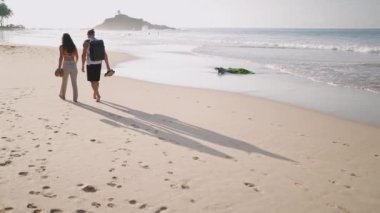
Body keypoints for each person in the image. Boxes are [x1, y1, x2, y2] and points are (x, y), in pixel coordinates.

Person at [81, 29, 111, 102]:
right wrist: (108, 67)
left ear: (88, 35)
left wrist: (82, 65)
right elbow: (104, 54)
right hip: (99, 63)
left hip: (90, 64)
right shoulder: (99, 42)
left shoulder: (86, 42)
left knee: (92, 81)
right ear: (94, 34)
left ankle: (98, 95)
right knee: (96, 81)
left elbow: (83, 54)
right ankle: (95, 93)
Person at [58, 33, 79, 102]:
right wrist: (74, 63)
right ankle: (75, 99)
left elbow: (61, 57)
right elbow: (77, 56)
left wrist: (59, 67)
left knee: (64, 81)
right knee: (74, 83)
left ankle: (63, 96)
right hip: (73, 64)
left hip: (66, 64)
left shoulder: (62, 47)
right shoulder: (73, 46)